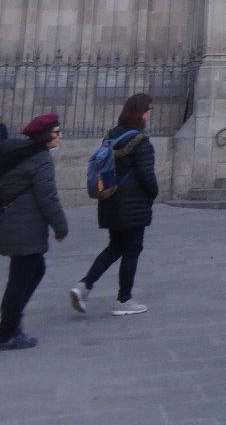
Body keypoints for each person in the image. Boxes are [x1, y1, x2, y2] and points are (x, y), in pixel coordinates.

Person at [70, 93, 157, 317]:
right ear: (141, 113)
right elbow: (147, 176)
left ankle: (84, 286)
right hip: (133, 204)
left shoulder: (112, 136)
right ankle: (124, 300)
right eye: (148, 111)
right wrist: (153, 193)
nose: (149, 115)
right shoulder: (140, 141)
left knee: (115, 247)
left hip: (110, 200)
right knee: (132, 249)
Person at [0, 114, 68, 351]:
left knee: (33, 270)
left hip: (13, 223)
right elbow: (47, 197)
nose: (60, 136)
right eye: (56, 132)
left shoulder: (22, 152)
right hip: (22, 226)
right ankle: (7, 333)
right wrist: (61, 226)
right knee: (21, 278)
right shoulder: (40, 159)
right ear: (46, 136)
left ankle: (12, 324)